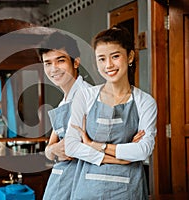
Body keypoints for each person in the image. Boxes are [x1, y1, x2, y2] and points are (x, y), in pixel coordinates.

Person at [65, 25, 157, 200]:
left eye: (115, 56)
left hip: (128, 191)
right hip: (87, 190)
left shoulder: (145, 102)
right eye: (101, 59)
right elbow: (71, 146)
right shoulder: (85, 96)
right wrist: (120, 157)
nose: (108, 65)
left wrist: (94, 145)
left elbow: (143, 150)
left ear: (130, 56)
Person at [38, 31, 92, 200]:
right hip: (64, 181)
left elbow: (76, 148)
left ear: (76, 62)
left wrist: (55, 150)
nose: (53, 69)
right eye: (48, 63)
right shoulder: (64, 102)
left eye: (60, 60)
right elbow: (49, 149)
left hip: (83, 182)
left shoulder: (88, 96)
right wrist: (53, 150)